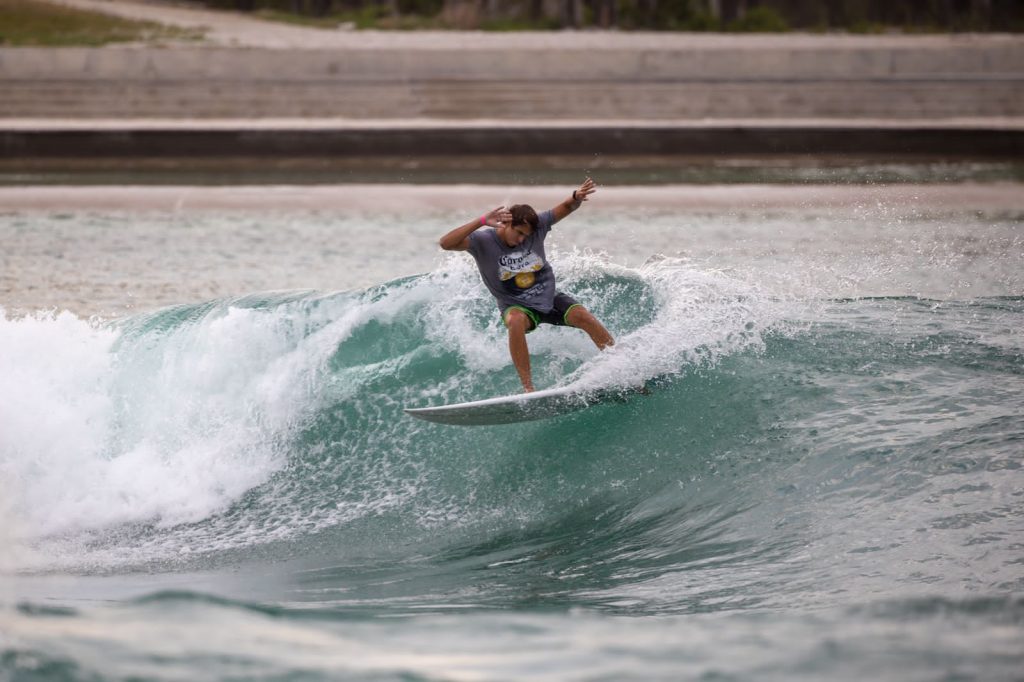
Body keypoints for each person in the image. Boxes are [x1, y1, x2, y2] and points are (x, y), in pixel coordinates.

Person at [439, 177, 614, 393]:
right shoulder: (482, 241)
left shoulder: (537, 226)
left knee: (584, 316)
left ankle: (621, 365)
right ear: (505, 223)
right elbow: (445, 243)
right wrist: (481, 220)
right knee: (515, 322)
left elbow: (567, 206)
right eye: (519, 233)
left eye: (527, 235)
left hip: (547, 297)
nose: (522, 239)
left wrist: (575, 196)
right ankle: (529, 388)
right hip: (515, 303)